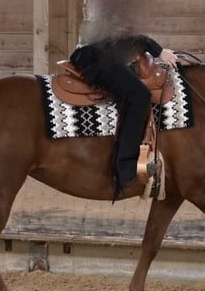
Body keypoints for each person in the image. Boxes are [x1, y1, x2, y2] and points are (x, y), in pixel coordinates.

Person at [69, 34, 178, 198]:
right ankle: (126, 168)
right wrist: (159, 51)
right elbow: (126, 33)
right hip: (97, 54)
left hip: (102, 51)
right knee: (139, 95)